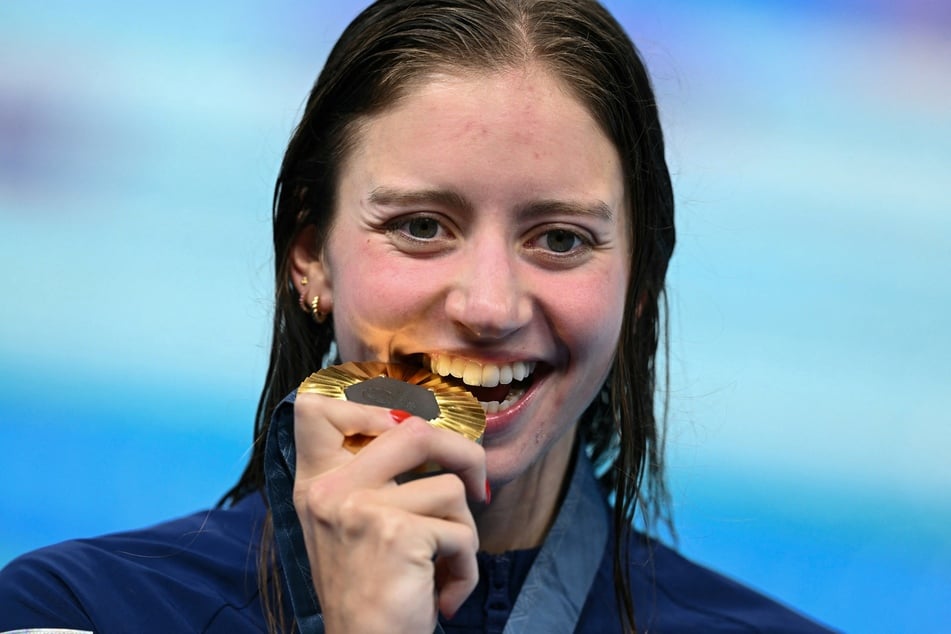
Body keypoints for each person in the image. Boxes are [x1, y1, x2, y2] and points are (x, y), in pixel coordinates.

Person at [0, 1, 835, 632]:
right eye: (420, 227)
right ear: (310, 258)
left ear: (639, 286)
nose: (487, 306)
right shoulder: (76, 610)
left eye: (559, 238)